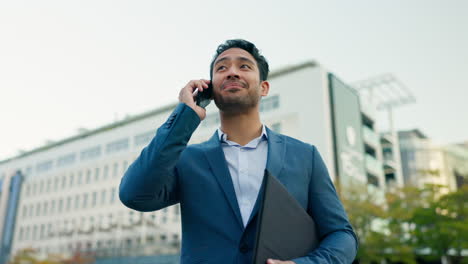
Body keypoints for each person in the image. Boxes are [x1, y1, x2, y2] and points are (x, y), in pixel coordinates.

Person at [119, 39, 358, 264]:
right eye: (221, 68)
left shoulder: (305, 156)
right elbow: (134, 194)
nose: (232, 72)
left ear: (264, 87)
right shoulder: (187, 160)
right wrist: (184, 115)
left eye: (244, 66)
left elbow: (341, 234)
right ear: (210, 89)